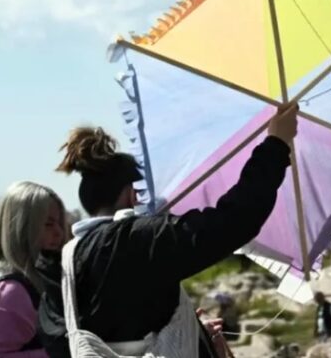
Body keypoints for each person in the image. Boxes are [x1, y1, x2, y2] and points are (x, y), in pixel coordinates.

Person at [38, 104, 298, 357]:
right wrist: (276, 145)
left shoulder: (64, 262)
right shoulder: (139, 239)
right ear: (134, 195)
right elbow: (234, 220)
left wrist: (192, 332)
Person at [0, 182, 65, 358]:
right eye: (48, 224)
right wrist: (62, 353)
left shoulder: (31, 283)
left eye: (59, 223)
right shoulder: (8, 292)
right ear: (22, 228)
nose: (59, 232)